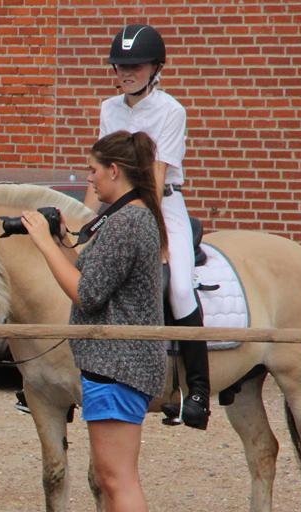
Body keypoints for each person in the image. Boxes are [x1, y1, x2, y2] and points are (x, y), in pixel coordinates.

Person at [23, 130, 167, 512]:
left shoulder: (129, 220)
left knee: (118, 476)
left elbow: (87, 293)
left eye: (92, 170)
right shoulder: (120, 218)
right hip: (109, 360)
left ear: (114, 171)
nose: (87, 178)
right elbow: (90, 274)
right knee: (110, 476)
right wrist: (64, 242)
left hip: (121, 361)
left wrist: (44, 245)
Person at [84, 24, 208, 430]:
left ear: (155, 67)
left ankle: (198, 391)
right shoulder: (109, 108)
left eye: (134, 65)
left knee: (176, 285)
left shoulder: (171, 111)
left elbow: (153, 177)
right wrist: (86, 223)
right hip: (117, 200)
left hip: (162, 202)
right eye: (120, 65)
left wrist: (154, 236)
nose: (125, 72)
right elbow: (103, 168)